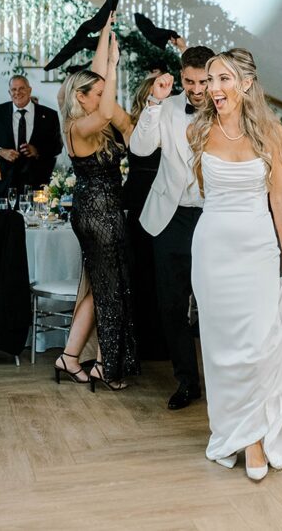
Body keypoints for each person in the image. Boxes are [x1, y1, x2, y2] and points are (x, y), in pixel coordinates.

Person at [189, 47, 282, 481]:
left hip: (258, 249)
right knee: (221, 347)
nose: (214, 89)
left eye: (223, 79)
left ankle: (256, 437)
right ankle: (236, 432)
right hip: (213, 251)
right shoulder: (198, 130)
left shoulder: (271, 132)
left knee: (257, 344)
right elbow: (208, 193)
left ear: (245, 84)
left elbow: (280, 198)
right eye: (210, 81)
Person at [54, 17, 140, 390]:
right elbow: (107, 110)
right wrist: (113, 71)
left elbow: (97, 80)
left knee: (98, 286)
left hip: (95, 209)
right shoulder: (80, 126)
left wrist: (105, 35)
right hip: (99, 213)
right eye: (98, 92)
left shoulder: (83, 119)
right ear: (82, 97)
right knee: (111, 289)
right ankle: (106, 367)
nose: (105, 99)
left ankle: (69, 356)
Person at [130, 43, 215, 410]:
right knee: (172, 305)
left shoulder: (228, 109)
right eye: (189, 81)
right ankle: (187, 382)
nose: (196, 89)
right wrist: (152, 104)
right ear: (180, 76)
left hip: (214, 217)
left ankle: (223, 383)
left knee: (214, 305)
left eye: (202, 81)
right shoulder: (165, 108)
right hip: (173, 217)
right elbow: (140, 148)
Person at [121, 64, 172, 361]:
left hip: (155, 198)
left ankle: (154, 339)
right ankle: (146, 340)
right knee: (143, 270)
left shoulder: (167, 122)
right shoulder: (135, 125)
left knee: (152, 271)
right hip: (144, 199)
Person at [0, 75, 62, 197]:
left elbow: (57, 146)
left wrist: (37, 151)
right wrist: (0, 151)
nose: (17, 93)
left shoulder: (49, 115)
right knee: (2, 216)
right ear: (9, 92)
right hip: (4, 183)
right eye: (14, 89)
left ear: (29, 90)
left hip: (37, 183)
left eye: (22, 88)